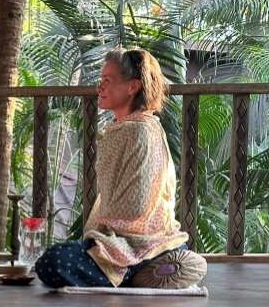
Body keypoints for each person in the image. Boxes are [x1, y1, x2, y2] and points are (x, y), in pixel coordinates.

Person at [35, 48, 207, 289]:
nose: (100, 87)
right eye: (100, 80)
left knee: (51, 262)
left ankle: (141, 269)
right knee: (56, 257)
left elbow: (135, 206)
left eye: (108, 81)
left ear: (132, 87)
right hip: (124, 240)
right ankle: (146, 271)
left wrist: (101, 237)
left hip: (140, 243)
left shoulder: (138, 131)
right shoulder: (130, 127)